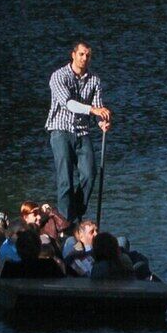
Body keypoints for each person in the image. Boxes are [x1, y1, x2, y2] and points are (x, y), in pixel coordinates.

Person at [43, 40, 112, 223]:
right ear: (73, 55)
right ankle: (65, 223)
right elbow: (69, 104)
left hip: (82, 132)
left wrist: (101, 121)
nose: (84, 58)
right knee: (65, 179)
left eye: (88, 55)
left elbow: (98, 108)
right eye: (81, 54)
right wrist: (93, 111)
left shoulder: (94, 80)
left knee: (90, 174)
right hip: (61, 131)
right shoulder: (59, 76)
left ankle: (75, 213)